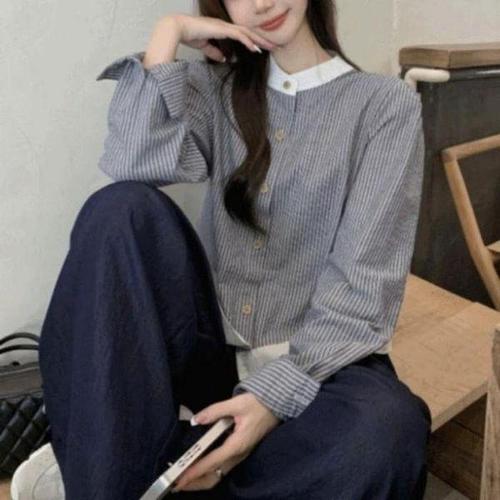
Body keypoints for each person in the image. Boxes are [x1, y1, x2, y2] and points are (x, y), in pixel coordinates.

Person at [19, 1, 432, 499]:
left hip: (321, 367)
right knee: (118, 210)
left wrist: (271, 399)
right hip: (212, 356)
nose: (261, 3)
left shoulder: (384, 105)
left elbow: (363, 289)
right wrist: (170, 32)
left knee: (386, 431)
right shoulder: (219, 90)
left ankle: (163, 468)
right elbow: (131, 161)